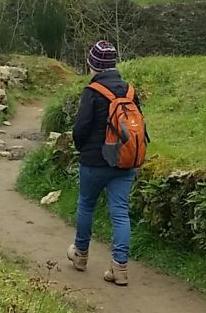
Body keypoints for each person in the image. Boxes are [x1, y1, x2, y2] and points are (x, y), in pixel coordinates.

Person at [67, 40, 140, 286]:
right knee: (120, 212)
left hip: (95, 161)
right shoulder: (130, 91)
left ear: (94, 65)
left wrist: (82, 149)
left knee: (86, 205)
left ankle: (80, 255)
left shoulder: (92, 92)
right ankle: (119, 268)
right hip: (125, 161)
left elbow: (80, 129)